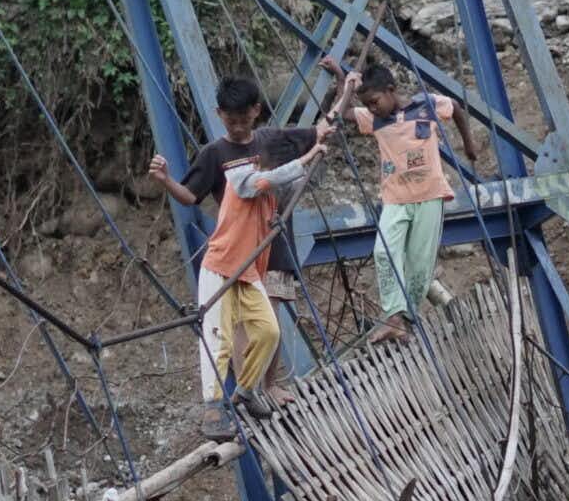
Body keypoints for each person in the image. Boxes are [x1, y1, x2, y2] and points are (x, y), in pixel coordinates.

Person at [148, 76, 331, 437]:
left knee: (268, 332)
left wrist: (337, 102)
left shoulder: (267, 155)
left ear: (255, 114)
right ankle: (213, 410)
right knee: (218, 338)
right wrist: (308, 158)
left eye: (244, 120)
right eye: (230, 120)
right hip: (223, 266)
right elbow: (270, 178)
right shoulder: (243, 177)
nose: (238, 127)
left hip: (251, 268)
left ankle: (247, 390)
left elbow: (290, 175)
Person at [336, 64, 479, 343]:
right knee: (383, 252)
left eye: (375, 102)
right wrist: (344, 84)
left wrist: (469, 144)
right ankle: (393, 316)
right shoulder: (373, 118)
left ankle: (406, 319)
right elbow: (340, 113)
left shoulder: (426, 105)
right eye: (368, 105)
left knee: (419, 265)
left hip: (429, 195)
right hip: (395, 199)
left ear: (391, 91)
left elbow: (457, 108)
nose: (372, 109)